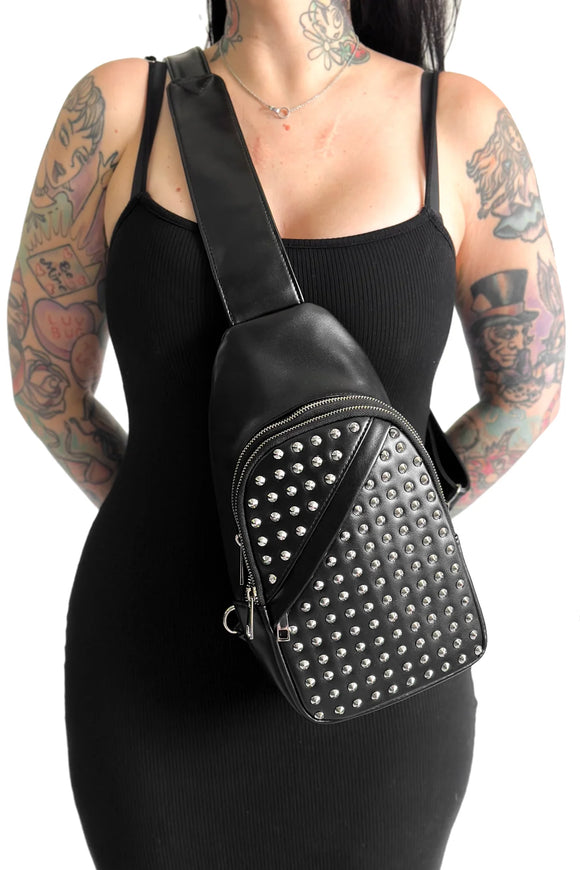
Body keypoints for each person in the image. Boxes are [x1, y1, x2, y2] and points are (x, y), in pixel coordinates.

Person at [7, 0, 564, 868]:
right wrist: (178, 522)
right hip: (154, 662)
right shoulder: (118, 111)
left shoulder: (457, 123)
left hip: (375, 659)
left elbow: (528, 392)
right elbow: (45, 383)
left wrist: (362, 535)